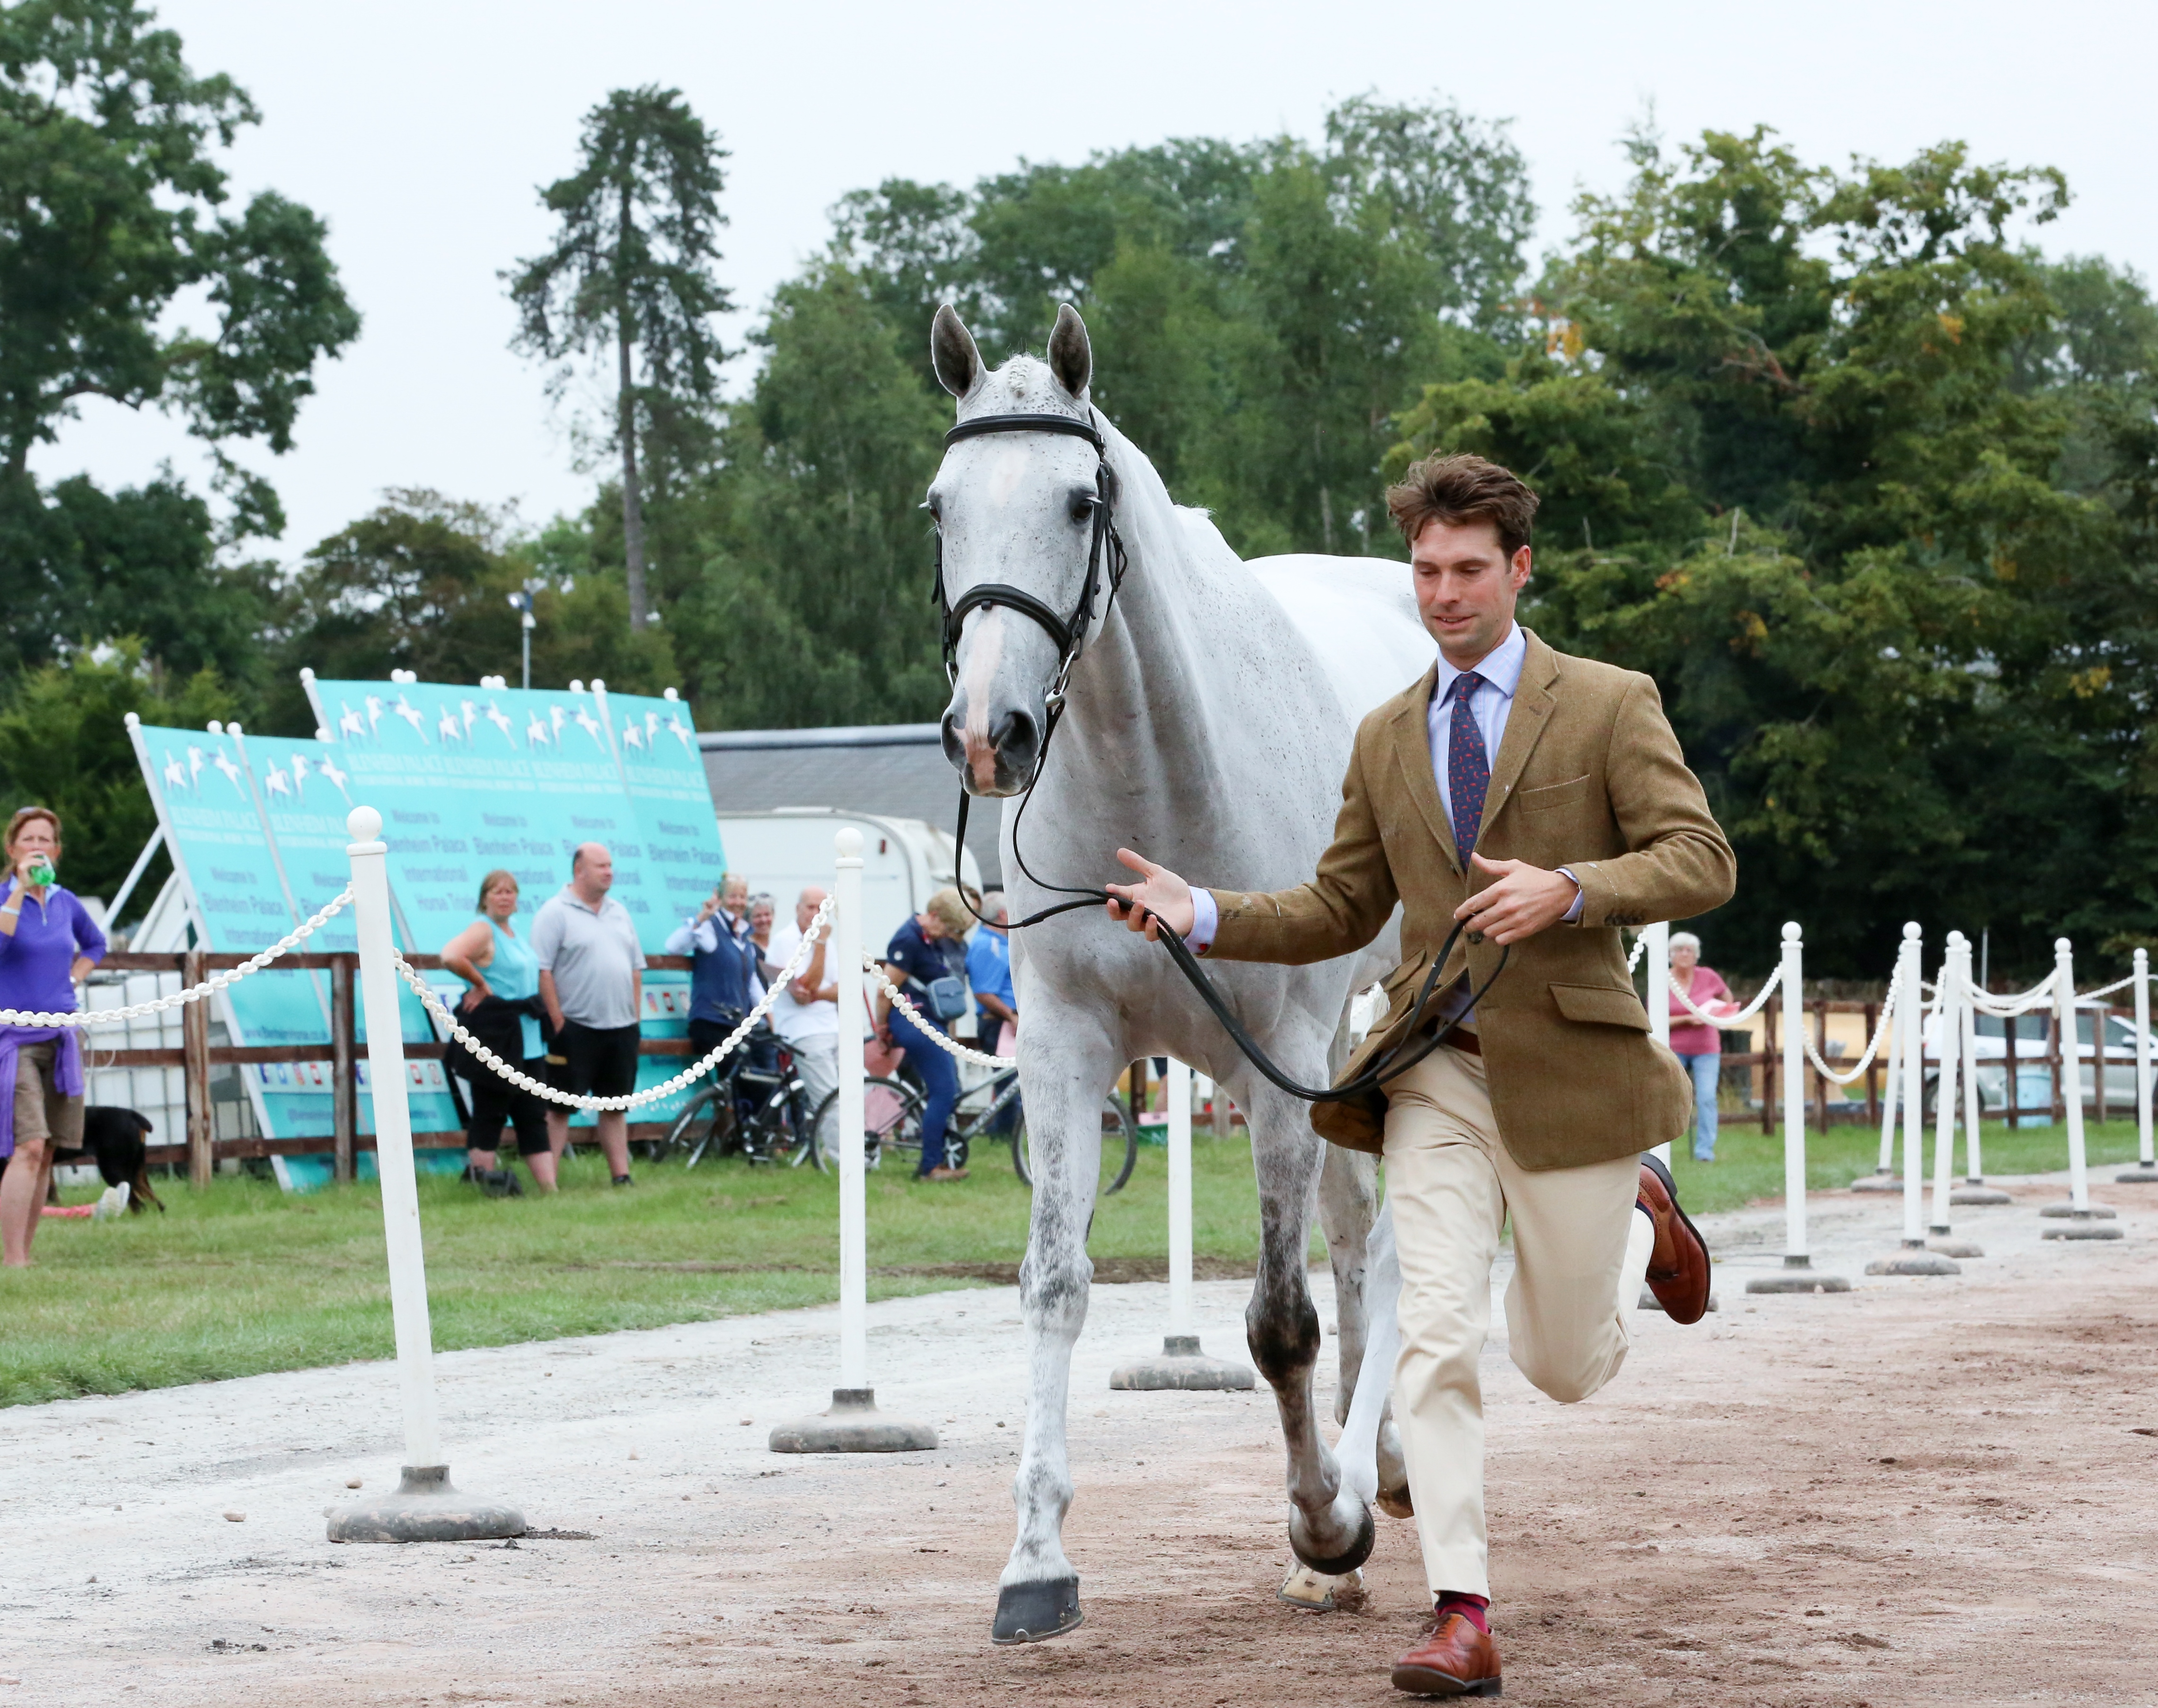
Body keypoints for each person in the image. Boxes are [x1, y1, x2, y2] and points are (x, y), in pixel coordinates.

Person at [1105, 453, 1731, 1699]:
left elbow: (1700, 856)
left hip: (1573, 1067)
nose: (1444, 595)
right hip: (1435, 1062)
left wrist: (1575, 889)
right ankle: (1461, 1610)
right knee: (1430, 1340)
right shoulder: (1389, 733)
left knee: (1561, 1360)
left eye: (1467, 571)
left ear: (1517, 570)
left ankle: (1641, 1212)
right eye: (1427, 572)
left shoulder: (1608, 701)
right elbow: (1340, 903)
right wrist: (1205, 912)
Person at [0, 808, 105, 1268]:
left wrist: (74, 978)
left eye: (46, 839)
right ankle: (13, 1260)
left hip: (61, 1036)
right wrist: (20, 890)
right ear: (12, 849)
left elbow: (96, 944)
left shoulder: (67, 902)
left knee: (48, 1152)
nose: (38, 845)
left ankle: (26, 1252)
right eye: (28, 839)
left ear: (57, 850)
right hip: (13, 1039)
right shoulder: (6, 898)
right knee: (29, 1144)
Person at [531, 844, 644, 1187]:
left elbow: (636, 967)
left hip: (621, 1027)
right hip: (575, 1027)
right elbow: (543, 970)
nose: (609, 872)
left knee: (615, 1105)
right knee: (559, 1106)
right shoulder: (555, 912)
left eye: (611, 865)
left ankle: (621, 1175)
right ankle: (549, 1183)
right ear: (579, 870)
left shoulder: (620, 913)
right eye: (601, 866)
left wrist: (635, 1018)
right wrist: (559, 1023)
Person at [440, 870, 554, 1193]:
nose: (504, 897)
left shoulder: (514, 932)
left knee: (533, 1115)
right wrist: (480, 983)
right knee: (490, 1113)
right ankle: (482, 1184)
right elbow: (450, 955)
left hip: (529, 1040)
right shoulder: (483, 930)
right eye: (497, 891)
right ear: (484, 898)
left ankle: (550, 1190)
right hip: (498, 1038)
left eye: (510, 892)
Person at [875, 887, 973, 1182]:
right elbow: (885, 991)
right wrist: (882, 1029)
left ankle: (939, 1157)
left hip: (928, 1019)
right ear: (932, 916)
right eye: (946, 927)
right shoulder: (909, 939)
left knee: (945, 1089)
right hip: (911, 1020)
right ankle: (930, 1167)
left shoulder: (928, 938)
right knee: (943, 1091)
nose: (947, 935)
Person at [765, 887, 840, 1155]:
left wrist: (816, 994)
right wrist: (819, 945)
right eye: (810, 907)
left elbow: (840, 990)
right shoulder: (785, 941)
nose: (816, 914)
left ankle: (865, 1155)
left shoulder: (830, 942)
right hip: (804, 1031)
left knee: (859, 1091)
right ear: (797, 908)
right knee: (832, 1098)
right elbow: (804, 990)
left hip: (834, 1026)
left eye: (822, 908)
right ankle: (845, 1162)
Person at [1667, 931, 1731, 1163]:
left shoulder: (1709, 977)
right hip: (1673, 1048)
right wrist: (1686, 1020)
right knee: (1670, 1097)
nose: (1685, 954)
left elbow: (1728, 1003)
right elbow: (1653, 1018)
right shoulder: (1663, 979)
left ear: (1697, 955)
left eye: (1690, 950)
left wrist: (1715, 1015)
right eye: (1680, 949)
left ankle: (1705, 1151)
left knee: (1706, 1097)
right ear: (1671, 955)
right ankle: (1663, 1151)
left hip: (1706, 1047)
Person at [965, 889, 1017, 1059]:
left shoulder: (998, 943)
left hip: (1005, 1021)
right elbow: (983, 992)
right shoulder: (988, 945)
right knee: (1009, 1083)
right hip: (1000, 1023)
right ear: (1002, 915)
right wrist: (1011, 1016)